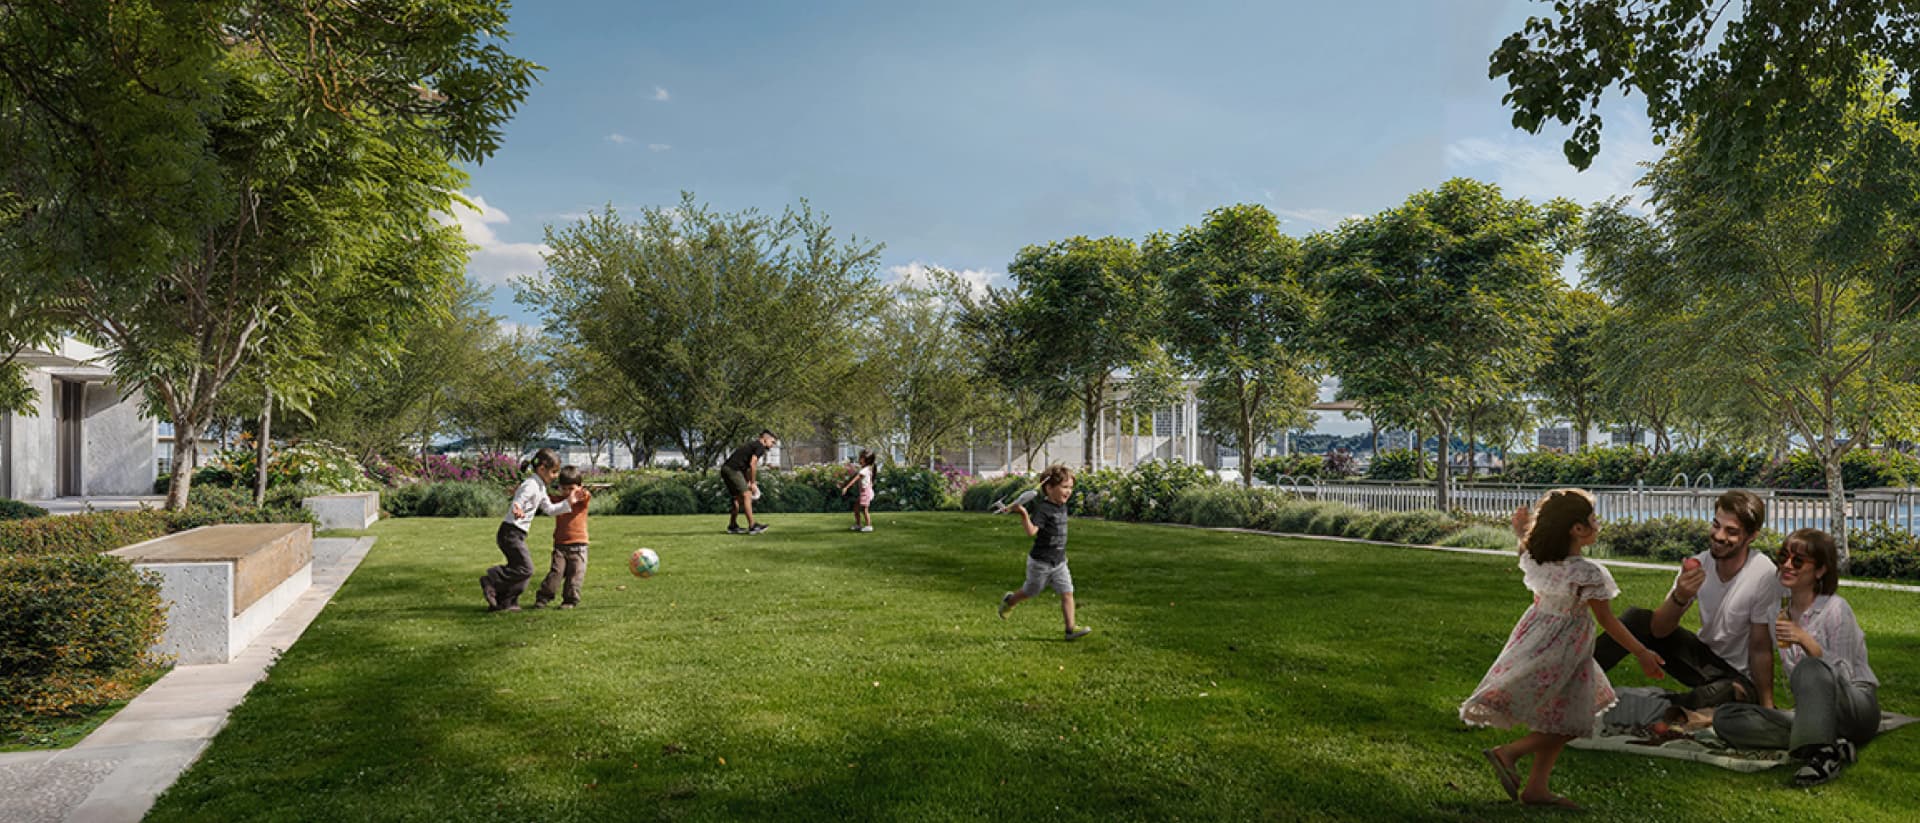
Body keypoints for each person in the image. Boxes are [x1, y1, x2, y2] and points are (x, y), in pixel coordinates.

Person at [1462, 489, 1665, 810]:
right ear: (1578, 529)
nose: (1598, 523)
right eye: (1593, 519)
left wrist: (1521, 533)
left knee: (1559, 715)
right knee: (1575, 721)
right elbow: (1608, 621)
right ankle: (1509, 753)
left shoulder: (1540, 560)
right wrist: (1642, 652)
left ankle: (1536, 789)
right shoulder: (1587, 573)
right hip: (1567, 649)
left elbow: (1525, 552)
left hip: (1535, 639)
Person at [1713, 528, 1879, 786]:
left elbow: (1843, 674)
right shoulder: (1776, 613)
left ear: (1820, 570)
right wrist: (1767, 706)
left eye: (1798, 561)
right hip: (1813, 713)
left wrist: (1804, 638)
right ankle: (1828, 743)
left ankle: (1823, 757)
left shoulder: (1836, 609)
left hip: (1855, 706)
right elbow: (1760, 650)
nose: (1787, 566)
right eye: (1783, 557)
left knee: (1811, 667)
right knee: (1725, 718)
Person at [1593, 489, 1781, 709]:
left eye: (1731, 531)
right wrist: (1680, 596)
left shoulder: (1764, 573)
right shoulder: (1699, 563)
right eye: (1716, 525)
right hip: (1702, 660)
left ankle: (1645, 706)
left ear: (1751, 536)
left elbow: (1760, 647)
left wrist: (1767, 707)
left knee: (1720, 695)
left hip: (1738, 678)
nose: (1719, 536)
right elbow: (1659, 630)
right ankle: (1570, 683)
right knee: (1637, 618)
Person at [995, 465, 1091, 641]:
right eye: (1064, 487)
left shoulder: (1062, 506)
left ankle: (1070, 630)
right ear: (1048, 488)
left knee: (1067, 592)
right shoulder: (1043, 509)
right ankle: (1010, 601)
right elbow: (1032, 532)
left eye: (1070, 487)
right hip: (1040, 563)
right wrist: (1023, 513)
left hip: (1059, 562)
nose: (1068, 491)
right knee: (1030, 591)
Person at [481, 449, 574, 613]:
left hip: (517, 534)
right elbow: (519, 498)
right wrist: (517, 508)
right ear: (542, 468)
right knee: (526, 569)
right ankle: (492, 579)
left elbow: (550, 509)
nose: (555, 476)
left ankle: (504, 602)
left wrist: (569, 502)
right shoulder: (530, 485)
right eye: (553, 472)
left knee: (522, 571)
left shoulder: (540, 488)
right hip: (510, 533)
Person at [532, 466, 593, 610]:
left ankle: (570, 600)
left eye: (570, 488)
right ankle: (543, 597)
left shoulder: (581, 501)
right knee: (556, 573)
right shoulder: (558, 501)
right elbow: (543, 500)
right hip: (560, 546)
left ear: (578, 487)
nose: (567, 492)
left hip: (579, 546)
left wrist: (578, 493)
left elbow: (586, 495)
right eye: (563, 488)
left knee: (575, 575)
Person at [722, 430, 777, 534]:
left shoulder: (753, 445)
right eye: (772, 442)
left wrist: (747, 481)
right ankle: (752, 526)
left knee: (737, 499)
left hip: (726, 469)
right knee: (747, 495)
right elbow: (752, 464)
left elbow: (745, 466)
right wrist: (753, 482)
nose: (772, 445)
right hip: (733, 470)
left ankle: (732, 526)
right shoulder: (760, 446)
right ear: (766, 439)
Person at [839, 450, 877, 532]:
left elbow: (855, 479)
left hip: (865, 492)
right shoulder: (866, 469)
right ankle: (858, 524)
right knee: (856, 508)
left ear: (866, 460)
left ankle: (869, 526)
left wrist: (846, 487)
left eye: (861, 458)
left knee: (864, 509)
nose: (859, 459)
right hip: (864, 492)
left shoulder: (864, 470)